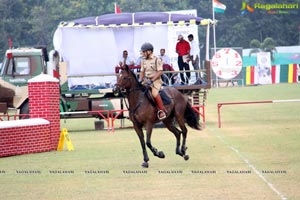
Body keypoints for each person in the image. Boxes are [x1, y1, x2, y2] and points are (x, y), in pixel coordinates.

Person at [139, 42, 166, 120]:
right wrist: (140, 80)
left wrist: (152, 80)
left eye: (144, 51)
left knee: (154, 93)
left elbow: (160, 71)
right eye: (142, 52)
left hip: (156, 80)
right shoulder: (143, 60)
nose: (143, 53)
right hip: (146, 80)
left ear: (149, 51)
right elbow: (142, 71)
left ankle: (161, 111)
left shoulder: (157, 59)